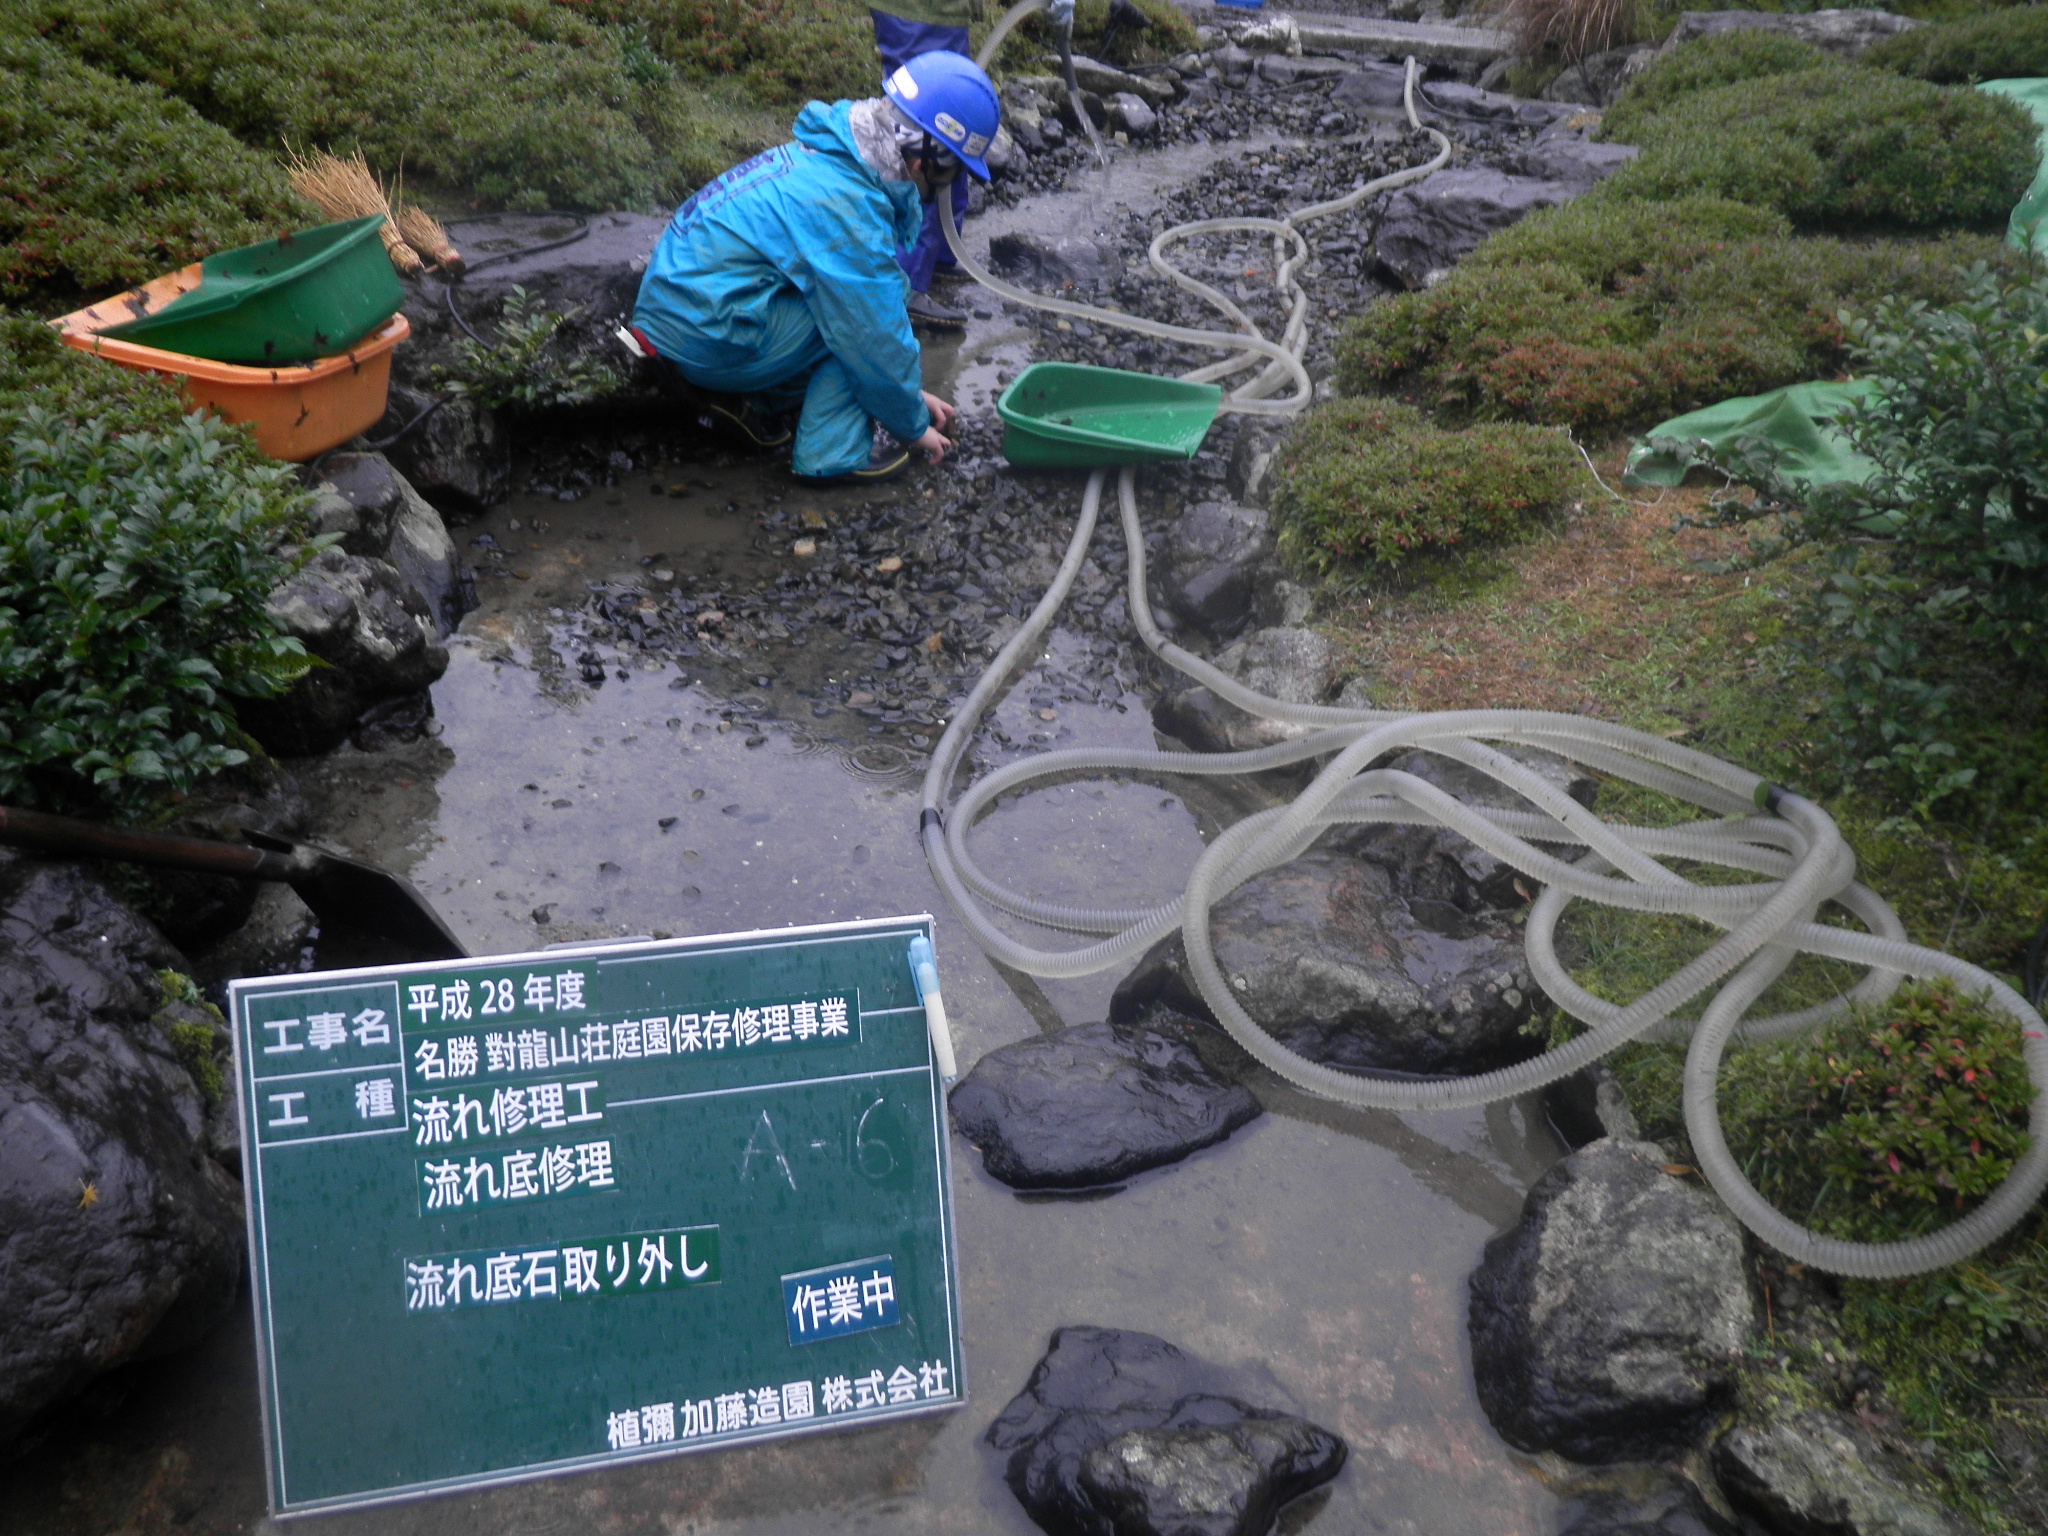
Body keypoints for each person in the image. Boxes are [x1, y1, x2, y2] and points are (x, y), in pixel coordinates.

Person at [629, 51, 1001, 485]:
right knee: (860, 324)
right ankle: (832, 455)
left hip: (682, 311)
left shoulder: (832, 154)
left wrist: (909, 393)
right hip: (703, 334)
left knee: (867, 302)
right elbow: (871, 337)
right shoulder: (847, 206)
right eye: (952, 172)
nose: (947, 184)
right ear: (923, 160)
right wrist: (913, 424)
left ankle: (753, 401)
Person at [870, 0, 1072, 330]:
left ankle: (939, 256)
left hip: (937, 12)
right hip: (919, 12)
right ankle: (904, 288)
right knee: (931, 139)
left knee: (954, 133)